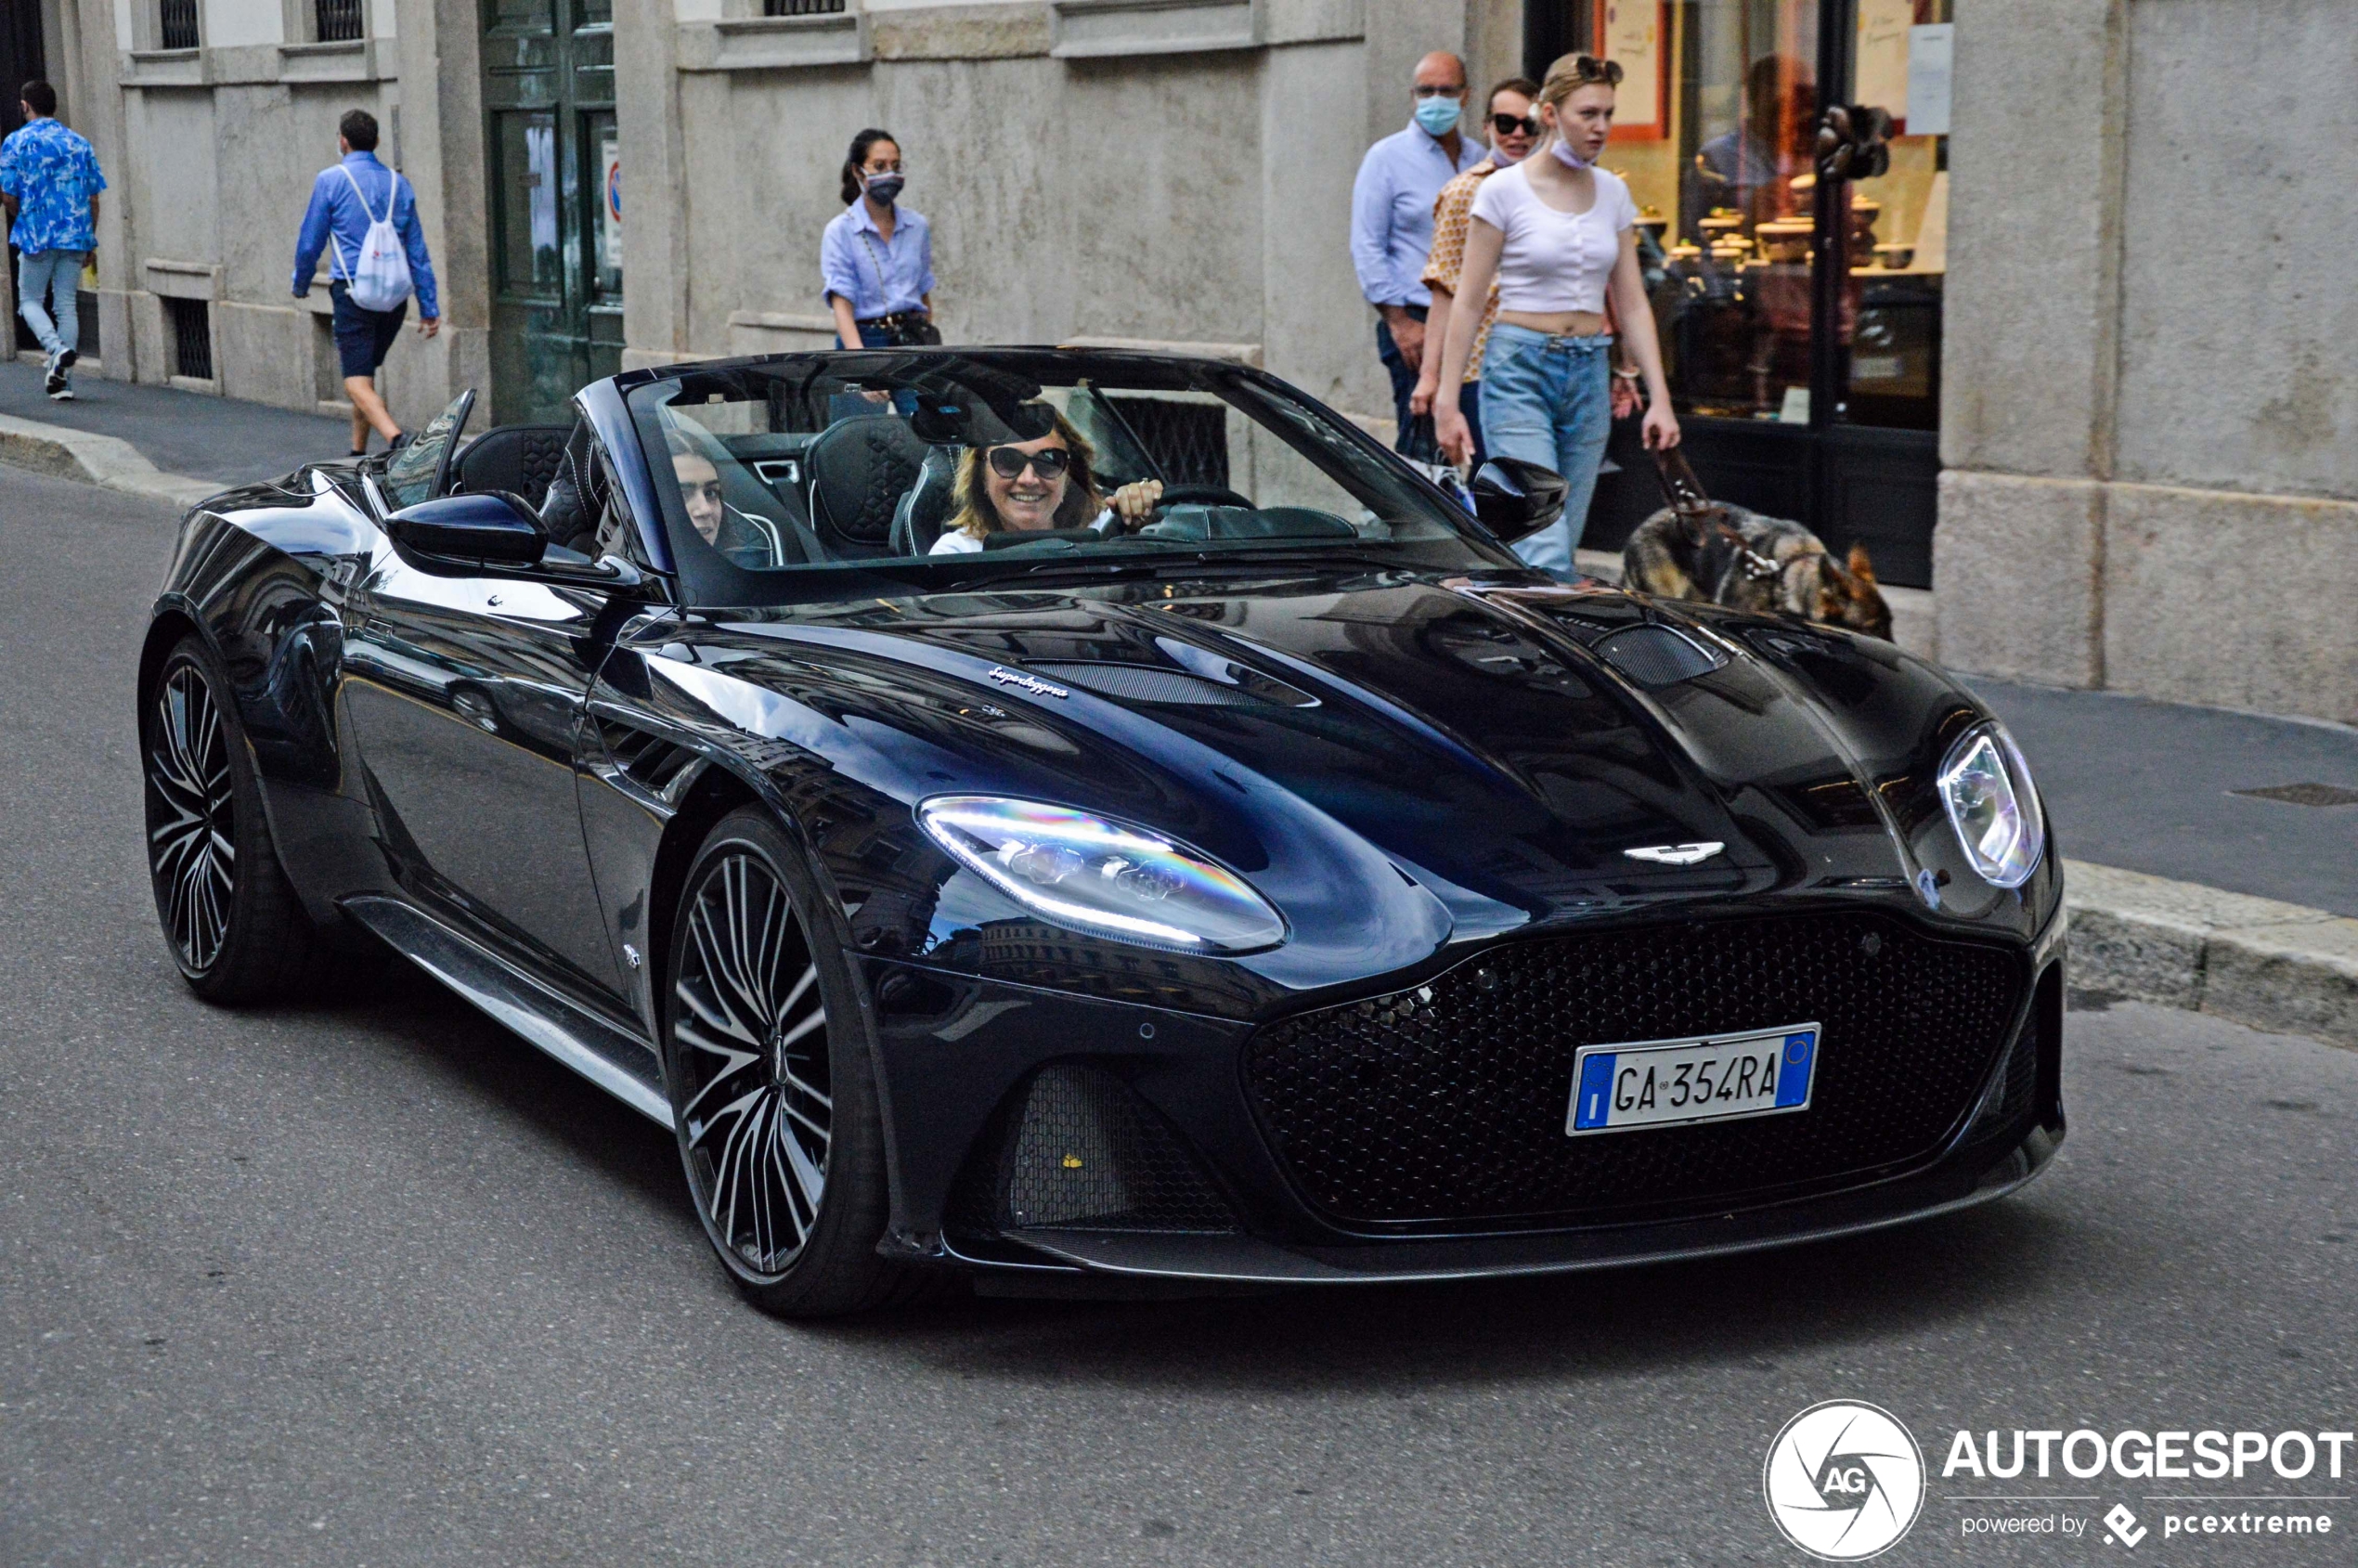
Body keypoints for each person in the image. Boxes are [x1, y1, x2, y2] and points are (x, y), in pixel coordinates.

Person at [1432, 55, 1680, 575]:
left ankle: (1524, 641)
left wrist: (1659, 399)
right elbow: (1468, 300)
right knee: (1542, 542)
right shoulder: (1503, 191)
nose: (1602, 127)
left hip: (1588, 372)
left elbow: (1632, 301)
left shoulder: (1613, 192)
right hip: (1519, 369)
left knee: (1562, 537)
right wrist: (1446, 401)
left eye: (1608, 114)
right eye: (1588, 113)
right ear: (1549, 113)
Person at [1349, 51, 1484, 451]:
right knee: (1423, 446)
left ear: (1465, 96)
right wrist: (1399, 322)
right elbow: (1366, 245)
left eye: (1447, 90)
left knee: (1475, 443)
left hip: (1476, 323)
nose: (1436, 99)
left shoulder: (1480, 159)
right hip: (1417, 321)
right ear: (1413, 96)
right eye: (1427, 91)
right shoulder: (1386, 158)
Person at [1407, 75, 1541, 470]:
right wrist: (1431, 376)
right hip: (1483, 366)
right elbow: (1444, 291)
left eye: (1528, 125)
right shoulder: (1465, 191)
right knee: (1499, 490)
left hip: (1547, 365)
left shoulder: (1558, 190)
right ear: (1486, 127)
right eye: (1505, 123)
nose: (1517, 134)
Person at [292, 109, 440, 457]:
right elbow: (417, 250)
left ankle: (396, 438)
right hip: (393, 298)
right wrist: (429, 307)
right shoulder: (398, 183)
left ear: (343, 141)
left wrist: (300, 283)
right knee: (365, 373)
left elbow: (310, 240)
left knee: (355, 380)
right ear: (376, 142)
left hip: (354, 293)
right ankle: (357, 452)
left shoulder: (331, 180)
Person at [0, 81, 106, 401]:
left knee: (30, 300)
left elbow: (7, 195)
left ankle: (56, 349)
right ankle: (63, 382)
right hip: (75, 235)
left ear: (24, 106)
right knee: (66, 305)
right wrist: (89, 240)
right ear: (55, 106)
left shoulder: (16, 142)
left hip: (37, 234)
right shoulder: (78, 143)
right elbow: (94, 198)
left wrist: (25, 219)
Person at [928, 411, 1162, 555]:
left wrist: (1144, 512)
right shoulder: (956, 553)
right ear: (982, 476)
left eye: (1048, 461)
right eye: (1008, 461)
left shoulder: (1109, 530)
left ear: (1069, 475)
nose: (1028, 479)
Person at [823, 129, 936, 350]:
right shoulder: (840, 231)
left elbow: (924, 292)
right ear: (858, 171)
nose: (890, 174)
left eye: (896, 165)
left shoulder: (917, 226)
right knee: (848, 387)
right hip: (862, 341)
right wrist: (861, 364)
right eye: (880, 166)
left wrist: (925, 342)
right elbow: (842, 304)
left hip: (910, 340)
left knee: (915, 387)